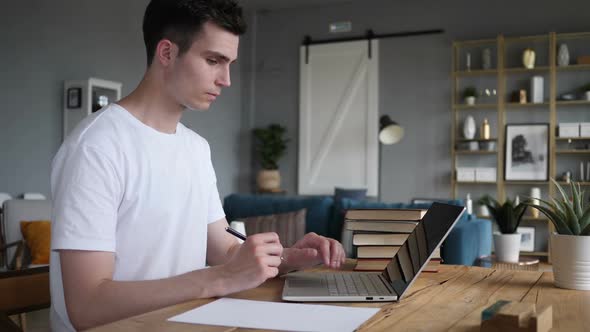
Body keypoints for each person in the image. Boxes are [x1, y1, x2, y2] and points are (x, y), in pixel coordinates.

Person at [49, 0, 346, 330]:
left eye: (229, 63)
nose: (226, 80)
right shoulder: (96, 147)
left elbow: (224, 251)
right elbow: (87, 305)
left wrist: (290, 258)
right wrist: (216, 280)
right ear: (167, 53)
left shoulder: (195, 148)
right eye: (214, 60)